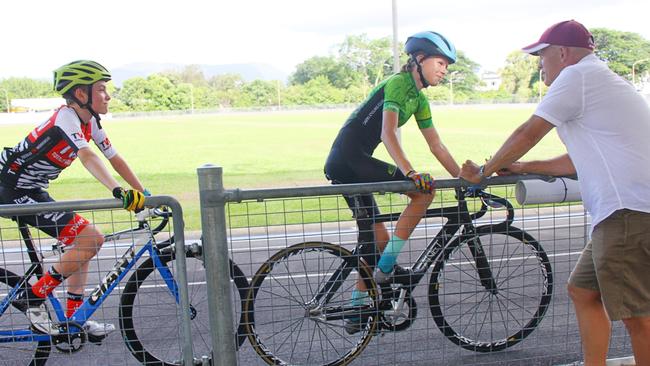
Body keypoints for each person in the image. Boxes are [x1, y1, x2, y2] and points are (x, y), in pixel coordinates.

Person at [459, 20, 650, 366]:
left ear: (562, 53)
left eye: (541, 56)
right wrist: (520, 167)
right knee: (582, 290)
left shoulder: (575, 77)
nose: (539, 65)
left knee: (639, 316)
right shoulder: (596, 78)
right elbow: (573, 161)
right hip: (625, 211)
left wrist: (482, 174)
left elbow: (528, 132)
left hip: (627, 212)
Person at [324, 31, 461, 331]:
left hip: (354, 162)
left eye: (447, 66)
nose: (444, 70)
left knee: (378, 240)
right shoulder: (399, 84)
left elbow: (436, 145)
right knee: (423, 193)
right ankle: (385, 271)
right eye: (440, 62)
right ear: (420, 59)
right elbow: (387, 134)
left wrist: (461, 177)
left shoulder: (419, 99)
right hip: (349, 161)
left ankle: (357, 306)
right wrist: (411, 173)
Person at [0, 60, 147, 337]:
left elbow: (113, 157)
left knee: (83, 241)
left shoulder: (91, 121)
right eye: (101, 89)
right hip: (11, 190)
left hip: (31, 189)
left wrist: (145, 194)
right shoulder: (66, 117)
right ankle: (33, 298)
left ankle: (73, 320)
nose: (108, 95)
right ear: (81, 94)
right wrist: (118, 191)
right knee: (91, 238)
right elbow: (88, 156)